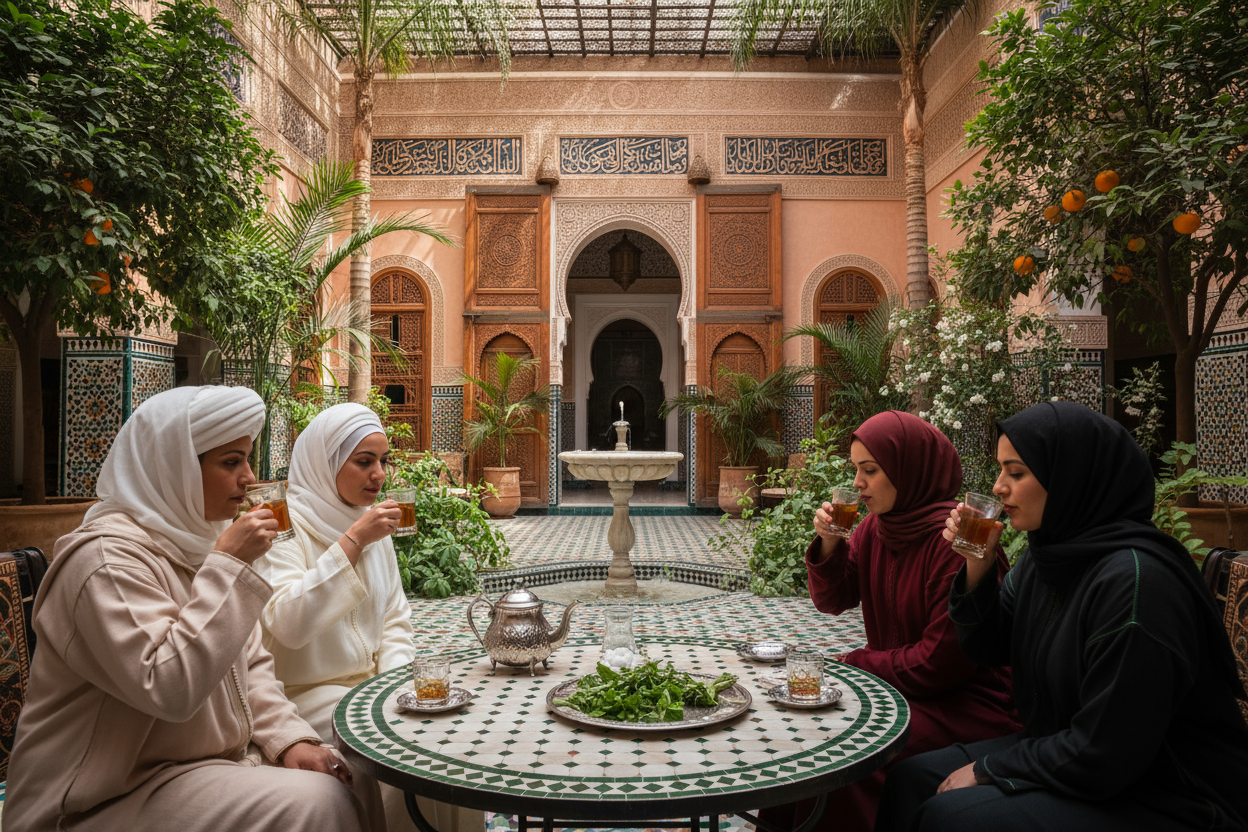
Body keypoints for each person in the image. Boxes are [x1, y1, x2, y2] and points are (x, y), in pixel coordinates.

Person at [3, 386, 366, 832]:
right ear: (172, 467)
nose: (249, 478)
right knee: (317, 803)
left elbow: (250, 665)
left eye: (247, 460)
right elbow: (168, 686)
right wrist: (229, 565)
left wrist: (290, 740)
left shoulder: (198, 545)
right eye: (231, 462)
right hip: (99, 798)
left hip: (197, 769)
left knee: (348, 771)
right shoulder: (105, 561)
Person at [876, 401, 1248, 832]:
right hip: (1075, 753)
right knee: (909, 780)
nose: (998, 487)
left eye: (1015, 473)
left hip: (1167, 792)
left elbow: (1106, 750)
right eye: (1000, 471)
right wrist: (978, 564)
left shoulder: (1137, 585)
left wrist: (989, 769)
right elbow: (986, 646)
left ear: (1071, 477)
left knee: (950, 817)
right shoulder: (1049, 558)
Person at [762, 411, 1020, 832]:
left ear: (908, 469)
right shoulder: (876, 530)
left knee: (845, 756)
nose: (858, 483)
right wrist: (829, 544)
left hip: (965, 703)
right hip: (899, 692)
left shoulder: (956, 541)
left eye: (870, 470)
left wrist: (858, 663)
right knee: (800, 736)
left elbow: (941, 664)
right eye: (856, 470)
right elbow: (833, 600)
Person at [255, 403, 480, 832]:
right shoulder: (284, 526)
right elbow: (289, 622)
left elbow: (395, 617)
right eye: (364, 462)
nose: (379, 474)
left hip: (371, 689)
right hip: (308, 694)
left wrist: (395, 686)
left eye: (383, 461)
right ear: (326, 463)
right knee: (396, 757)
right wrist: (353, 540)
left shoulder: (368, 523)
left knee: (449, 738)